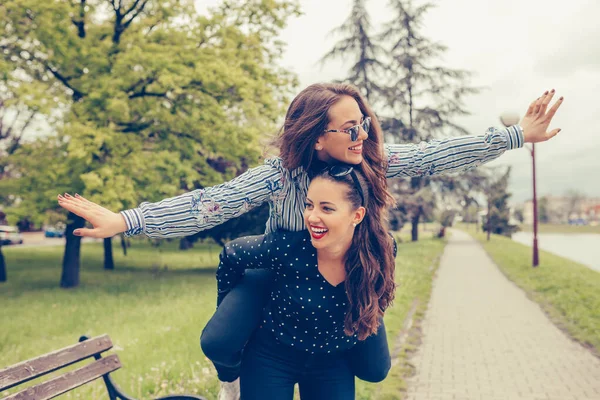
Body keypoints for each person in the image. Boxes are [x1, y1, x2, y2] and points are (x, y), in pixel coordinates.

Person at [57, 83, 563, 399]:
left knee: (376, 369)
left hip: (341, 280)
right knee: (221, 336)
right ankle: (230, 376)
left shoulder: (371, 163)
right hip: (280, 269)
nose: (361, 132)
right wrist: (129, 220)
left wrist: (515, 135)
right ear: (317, 136)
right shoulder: (281, 174)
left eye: (363, 121)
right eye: (348, 126)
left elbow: (435, 155)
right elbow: (214, 202)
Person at [215, 166, 396, 399]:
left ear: (357, 216)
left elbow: (379, 294)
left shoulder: (380, 250)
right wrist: (228, 307)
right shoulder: (288, 247)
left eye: (326, 208)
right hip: (272, 355)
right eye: (309, 205)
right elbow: (231, 253)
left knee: (376, 371)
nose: (312, 216)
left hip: (332, 360)